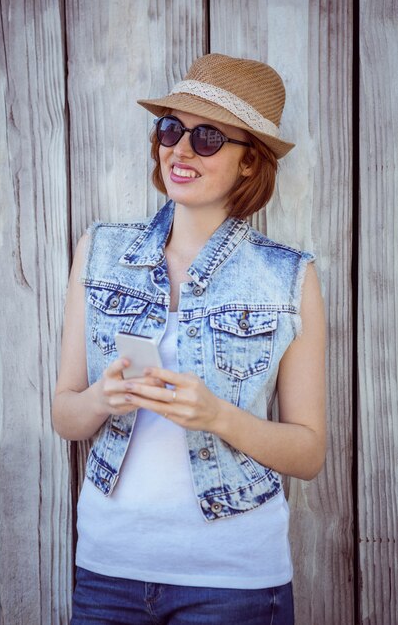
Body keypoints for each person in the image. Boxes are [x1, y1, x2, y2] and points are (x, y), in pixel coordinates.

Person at [52, 53, 326, 625]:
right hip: (107, 572)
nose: (177, 149)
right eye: (170, 128)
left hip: (234, 581)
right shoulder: (99, 250)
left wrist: (216, 415)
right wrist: (103, 399)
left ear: (250, 161)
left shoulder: (289, 277)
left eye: (206, 137)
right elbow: (64, 416)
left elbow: (308, 453)